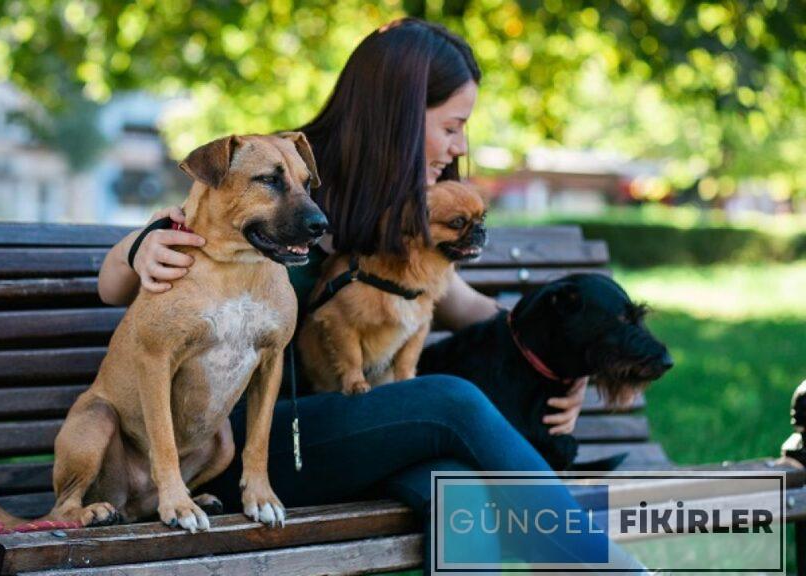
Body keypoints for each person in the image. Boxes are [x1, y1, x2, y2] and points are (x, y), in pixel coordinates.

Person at [97, 18, 644, 574]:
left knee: (461, 494)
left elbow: (466, 305)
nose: (460, 145)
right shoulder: (278, 169)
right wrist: (138, 248)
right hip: (232, 448)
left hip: (339, 439)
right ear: (402, 117)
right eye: (453, 126)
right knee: (448, 399)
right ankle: (609, 565)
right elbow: (126, 277)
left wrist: (561, 368)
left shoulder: (397, 207)